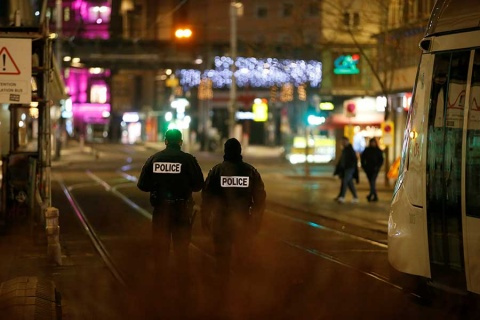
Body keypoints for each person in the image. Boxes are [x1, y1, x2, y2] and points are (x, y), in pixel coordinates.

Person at [137, 129, 204, 291]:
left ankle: (160, 285)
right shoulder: (188, 160)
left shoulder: (154, 159)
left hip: (161, 211)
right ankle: (182, 286)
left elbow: (142, 185)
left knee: (161, 250)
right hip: (181, 211)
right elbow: (198, 185)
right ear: (180, 142)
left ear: (165, 141)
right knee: (182, 251)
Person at [201, 138, 266, 290]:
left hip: (221, 222)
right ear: (240, 151)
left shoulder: (217, 171)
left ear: (225, 151)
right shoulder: (250, 171)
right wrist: (257, 221)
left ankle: (223, 289)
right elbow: (260, 199)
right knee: (243, 258)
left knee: (222, 258)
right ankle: (242, 290)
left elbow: (207, 197)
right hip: (243, 221)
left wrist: (205, 218)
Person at [334, 136, 359, 203]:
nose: (343, 143)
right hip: (345, 169)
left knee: (345, 181)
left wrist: (350, 166)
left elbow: (354, 160)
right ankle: (355, 197)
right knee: (350, 183)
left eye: (344, 141)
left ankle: (342, 197)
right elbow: (341, 161)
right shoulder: (344, 150)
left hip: (349, 169)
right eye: (342, 141)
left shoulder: (350, 150)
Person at [361, 138, 384, 202]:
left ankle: (371, 195)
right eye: (371, 142)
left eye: (373, 142)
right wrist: (364, 166)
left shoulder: (378, 150)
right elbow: (362, 158)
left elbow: (381, 160)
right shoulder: (367, 150)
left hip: (375, 169)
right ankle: (374, 196)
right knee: (371, 182)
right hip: (368, 169)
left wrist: (378, 166)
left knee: (372, 181)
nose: (372, 144)